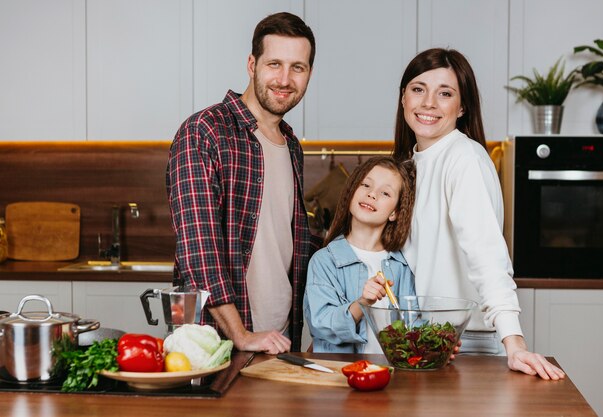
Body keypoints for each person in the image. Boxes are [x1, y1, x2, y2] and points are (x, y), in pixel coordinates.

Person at [392, 48, 565, 380]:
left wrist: (514, 344)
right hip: (428, 340)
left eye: (445, 93)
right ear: (403, 98)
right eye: (418, 89)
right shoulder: (410, 164)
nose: (428, 102)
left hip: (468, 342)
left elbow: (486, 253)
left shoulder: (464, 159)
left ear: (462, 107)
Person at [166, 12, 316, 354]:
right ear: (252, 64)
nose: (285, 78)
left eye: (298, 67)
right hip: (216, 345)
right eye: (274, 63)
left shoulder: (291, 144)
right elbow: (198, 249)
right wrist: (241, 335)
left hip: (279, 339)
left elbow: (288, 240)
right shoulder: (205, 131)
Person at [304, 156, 416, 353]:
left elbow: (413, 325)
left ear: (395, 213)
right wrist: (362, 303)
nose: (372, 194)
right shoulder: (324, 261)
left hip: (394, 377)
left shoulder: (402, 265)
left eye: (385, 193)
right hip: (341, 378)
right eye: (365, 185)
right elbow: (321, 324)